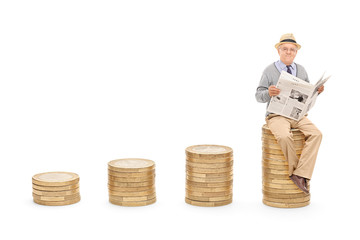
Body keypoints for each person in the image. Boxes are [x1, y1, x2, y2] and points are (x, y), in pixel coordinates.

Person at [255, 33, 324, 194]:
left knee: (317, 134)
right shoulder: (269, 70)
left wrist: (317, 92)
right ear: (279, 51)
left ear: (296, 52)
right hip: (276, 115)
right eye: (285, 49)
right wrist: (268, 93)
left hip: (297, 115)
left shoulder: (301, 70)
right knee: (285, 137)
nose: (288, 52)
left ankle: (300, 173)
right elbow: (258, 96)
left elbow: (306, 97)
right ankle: (297, 173)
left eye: (292, 50)